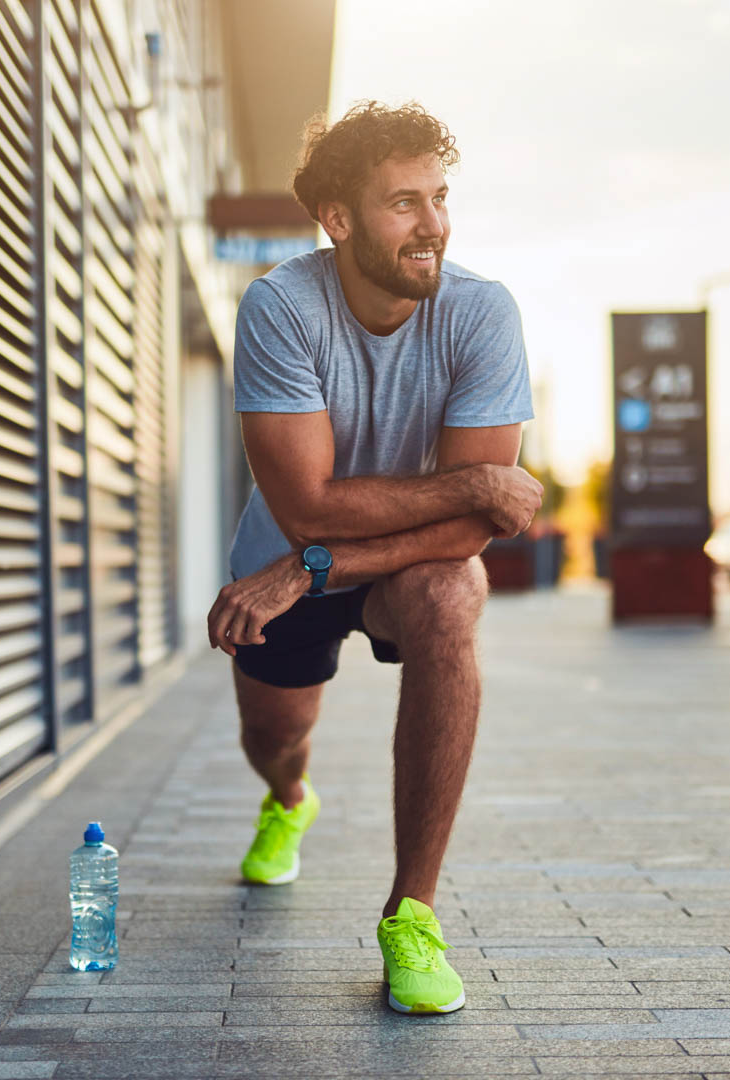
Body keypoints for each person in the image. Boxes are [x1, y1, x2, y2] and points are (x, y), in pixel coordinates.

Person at [206, 101, 543, 1014]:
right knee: (275, 737)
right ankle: (288, 799)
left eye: (439, 197)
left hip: (346, 570)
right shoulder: (282, 308)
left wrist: (313, 566)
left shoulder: (482, 314)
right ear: (340, 219)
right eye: (404, 203)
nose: (433, 224)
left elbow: (472, 537)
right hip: (274, 570)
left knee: (447, 597)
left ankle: (412, 913)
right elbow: (308, 505)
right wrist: (472, 485)